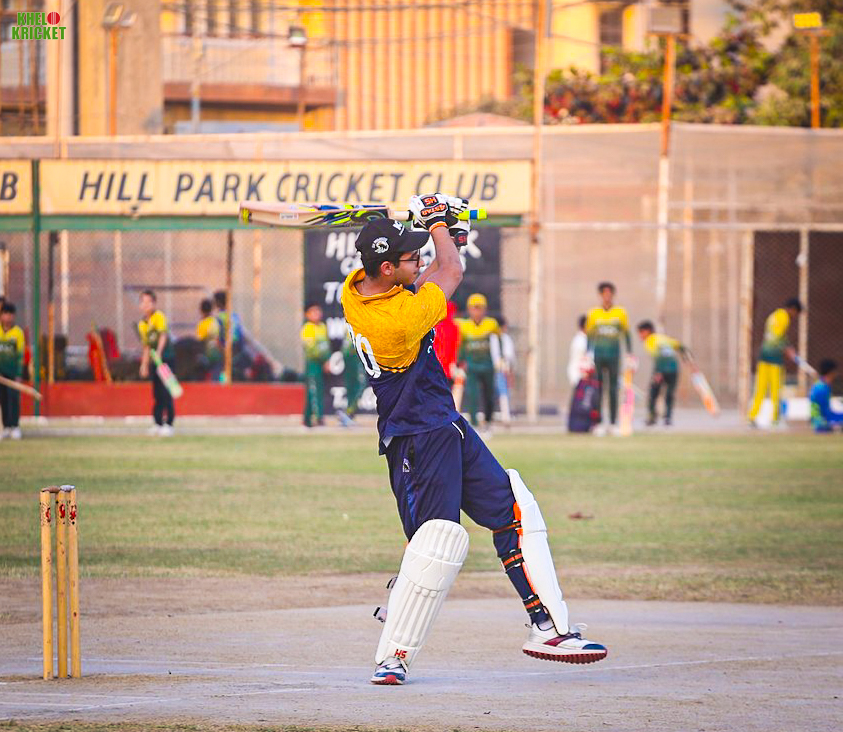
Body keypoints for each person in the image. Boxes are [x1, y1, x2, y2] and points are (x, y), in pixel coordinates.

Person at [340, 194, 606, 687]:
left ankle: (548, 628)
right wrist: (439, 223)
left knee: (515, 508)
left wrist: (437, 235)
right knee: (435, 544)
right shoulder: (396, 321)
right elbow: (450, 273)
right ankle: (393, 655)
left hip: (444, 423)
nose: (418, 262)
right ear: (386, 267)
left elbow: (420, 277)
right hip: (416, 437)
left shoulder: (356, 288)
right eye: (409, 258)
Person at [748, 297, 803, 428]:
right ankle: (775, 419)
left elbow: (775, 336)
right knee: (775, 390)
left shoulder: (774, 315)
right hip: (774, 359)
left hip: (764, 357)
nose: (795, 316)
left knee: (760, 389)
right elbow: (777, 338)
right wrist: (789, 350)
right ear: (793, 309)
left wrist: (788, 348)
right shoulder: (784, 317)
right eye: (796, 313)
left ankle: (752, 417)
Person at [585, 282, 632, 436]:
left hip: (614, 356)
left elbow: (626, 334)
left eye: (609, 293)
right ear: (600, 295)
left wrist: (629, 354)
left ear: (612, 295)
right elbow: (590, 336)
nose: (607, 296)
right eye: (604, 293)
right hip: (599, 356)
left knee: (613, 390)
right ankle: (598, 423)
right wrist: (588, 354)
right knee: (598, 389)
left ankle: (612, 423)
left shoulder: (620, 313)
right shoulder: (594, 313)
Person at [457, 293, 499, 429]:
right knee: (472, 394)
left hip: (488, 364)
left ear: (485, 309)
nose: (477, 311)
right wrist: (460, 361)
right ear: (469, 309)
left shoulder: (491, 324)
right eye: (474, 308)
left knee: (489, 394)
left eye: (479, 308)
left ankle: (488, 420)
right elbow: (461, 345)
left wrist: (500, 359)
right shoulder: (463, 325)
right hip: (472, 365)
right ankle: (474, 423)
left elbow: (498, 342)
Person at [138, 290, 176, 436]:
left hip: (166, 359)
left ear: (154, 303)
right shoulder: (142, 324)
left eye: (149, 302)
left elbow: (163, 336)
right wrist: (144, 364)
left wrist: (159, 352)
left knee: (166, 391)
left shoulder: (159, 317)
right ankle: (158, 422)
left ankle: (169, 424)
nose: (146, 305)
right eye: (143, 302)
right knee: (157, 392)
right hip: (155, 361)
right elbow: (146, 346)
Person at [637, 320, 688, 427]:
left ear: (647, 331)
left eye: (641, 332)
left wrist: (658, 372)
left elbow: (659, 357)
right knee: (669, 394)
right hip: (674, 369)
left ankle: (652, 418)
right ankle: (668, 418)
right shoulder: (663, 338)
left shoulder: (649, 341)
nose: (640, 336)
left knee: (653, 394)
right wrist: (687, 358)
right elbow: (680, 346)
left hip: (662, 369)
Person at [301, 303, 330, 428]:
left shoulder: (322, 327)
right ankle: (316, 418)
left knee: (318, 390)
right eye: (313, 312)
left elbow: (326, 346)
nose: (316, 314)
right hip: (312, 364)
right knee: (313, 391)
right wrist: (323, 359)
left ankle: (309, 419)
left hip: (321, 364)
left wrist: (327, 360)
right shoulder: (307, 328)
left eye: (318, 311)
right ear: (307, 315)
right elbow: (311, 349)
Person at [0, 301, 25, 440]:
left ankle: (15, 426)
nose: (8, 317)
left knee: (13, 399)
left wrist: (19, 373)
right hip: (0, 374)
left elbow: (20, 355)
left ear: (14, 316)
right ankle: (6, 426)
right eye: (5, 313)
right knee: (3, 399)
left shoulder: (18, 333)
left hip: (13, 373)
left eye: (10, 314)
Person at [337, 328, 366, 427]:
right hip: (354, 356)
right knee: (358, 385)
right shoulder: (354, 324)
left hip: (353, 355)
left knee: (354, 386)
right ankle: (348, 413)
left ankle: (349, 413)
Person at [490, 316, 515, 424]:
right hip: (493, 368)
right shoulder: (494, 338)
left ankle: (505, 415)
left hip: (501, 368)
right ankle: (502, 415)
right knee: (498, 392)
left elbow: (508, 355)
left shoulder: (503, 338)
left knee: (503, 390)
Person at [809, 359, 843, 433]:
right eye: (835, 371)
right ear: (831, 372)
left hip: (821, 419)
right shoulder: (822, 388)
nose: (836, 374)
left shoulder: (822, 385)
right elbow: (824, 412)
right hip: (821, 422)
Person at [196, 298, 223, 381]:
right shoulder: (216, 321)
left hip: (206, 354)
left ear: (201, 310)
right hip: (217, 353)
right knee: (216, 376)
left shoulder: (202, 324)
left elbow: (200, 341)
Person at [567, 314, 589, 387]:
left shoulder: (581, 339)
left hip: (578, 375)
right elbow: (583, 359)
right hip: (580, 375)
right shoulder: (581, 341)